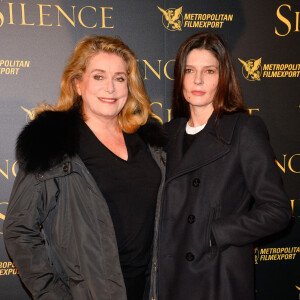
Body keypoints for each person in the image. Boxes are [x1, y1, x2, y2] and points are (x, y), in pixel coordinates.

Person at [3, 35, 166, 300]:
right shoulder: (52, 142)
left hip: (150, 290)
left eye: (120, 78)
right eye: (99, 76)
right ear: (78, 84)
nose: (111, 88)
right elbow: (18, 230)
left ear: (130, 85)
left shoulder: (151, 143)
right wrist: (52, 294)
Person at [151, 32, 291, 300]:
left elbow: (278, 210)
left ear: (223, 77)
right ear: (180, 76)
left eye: (209, 71)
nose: (198, 80)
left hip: (216, 279)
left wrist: (216, 232)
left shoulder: (244, 129)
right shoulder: (165, 135)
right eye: (189, 70)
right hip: (169, 279)